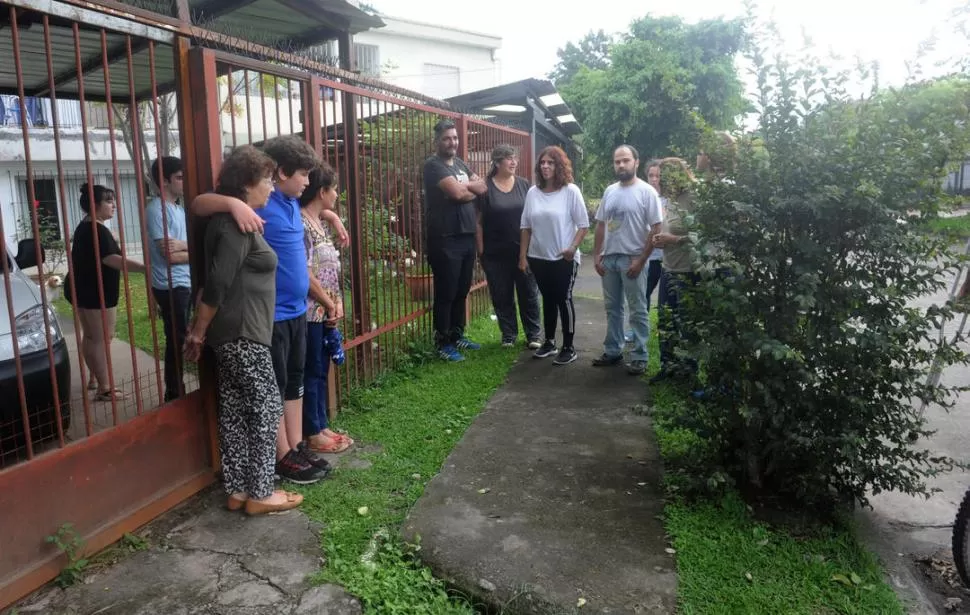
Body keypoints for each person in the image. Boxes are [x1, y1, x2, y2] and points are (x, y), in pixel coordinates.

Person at [192, 135, 344, 484]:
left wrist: (333, 216)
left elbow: (315, 209)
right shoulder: (263, 201)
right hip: (268, 317)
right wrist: (234, 206)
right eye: (303, 175)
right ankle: (280, 456)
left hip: (297, 312)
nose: (308, 182)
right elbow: (199, 204)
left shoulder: (291, 201)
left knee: (294, 382)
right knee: (272, 388)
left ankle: (293, 446)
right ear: (279, 173)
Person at [183, 144, 303, 516]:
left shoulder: (234, 217)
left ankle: (238, 490)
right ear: (247, 183)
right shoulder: (238, 222)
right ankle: (262, 491)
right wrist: (198, 331)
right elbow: (218, 282)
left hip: (232, 334)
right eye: (266, 179)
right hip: (242, 334)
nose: (270, 186)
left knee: (235, 411)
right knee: (266, 409)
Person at [591, 146, 663, 376]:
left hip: (633, 259)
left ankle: (640, 356)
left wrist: (642, 260)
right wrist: (597, 255)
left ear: (636, 162)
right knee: (612, 308)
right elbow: (601, 223)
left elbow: (656, 228)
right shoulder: (610, 191)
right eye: (617, 161)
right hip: (609, 259)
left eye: (625, 161)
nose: (621, 165)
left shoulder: (646, 192)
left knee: (638, 309)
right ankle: (613, 351)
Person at [70, 184, 145, 402]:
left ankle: (95, 378)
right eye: (109, 201)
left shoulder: (87, 227)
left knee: (92, 336)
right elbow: (112, 259)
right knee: (103, 338)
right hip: (98, 292)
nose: (114, 205)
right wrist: (144, 268)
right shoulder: (97, 229)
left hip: (85, 289)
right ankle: (105, 388)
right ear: (95, 205)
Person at [300, 163, 355, 454]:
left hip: (326, 308)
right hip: (311, 309)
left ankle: (321, 424)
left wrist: (336, 303)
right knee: (312, 369)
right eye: (334, 190)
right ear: (322, 191)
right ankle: (312, 430)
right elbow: (306, 273)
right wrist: (328, 302)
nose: (336, 195)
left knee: (321, 369)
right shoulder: (301, 224)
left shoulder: (317, 220)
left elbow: (330, 268)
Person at [422, 118, 487, 362]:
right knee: (446, 291)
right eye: (447, 138)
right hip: (445, 239)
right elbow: (459, 193)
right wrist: (466, 187)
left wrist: (464, 186)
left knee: (462, 289)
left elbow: (483, 187)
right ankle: (443, 342)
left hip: (466, 236)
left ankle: (458, 334)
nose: (452, 142)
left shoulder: (459, 163)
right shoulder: (433, 166)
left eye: (455, 138)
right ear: (437, 141)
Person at [519, 145, 589, 365]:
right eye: (542, 163)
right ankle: (549, 342)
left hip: (563, 258)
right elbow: (526, 227)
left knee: (563, 299)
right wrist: (523, 256)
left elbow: (583, 225)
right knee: (547, 299)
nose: (546, 166)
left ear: (559, 166)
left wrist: (572, 248)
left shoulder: (570, 191)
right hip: (539, 257)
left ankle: (568, 347)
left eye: (550, 163)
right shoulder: (533, 193)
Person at [476, 144, 541, 348]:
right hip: (495, 253)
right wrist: (481, 251)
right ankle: (509, 335)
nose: (514, 162)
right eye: (509, 158)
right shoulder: (485, 187)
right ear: (497, 162)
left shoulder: (524, 185)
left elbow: (532, 217)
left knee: (528, 293)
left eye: (515, 158)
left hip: (523, 251)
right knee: (501, 294)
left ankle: (534, 335)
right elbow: (477, 221)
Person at [651, 157, 701, 383]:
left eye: (665, 176)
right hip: (668, 268)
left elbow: (704, 237)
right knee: (665, 320)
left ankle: (689, 373)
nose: (661, 181)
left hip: (688, 271)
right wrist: (660, 239)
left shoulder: (694, 197)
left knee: (688, 325)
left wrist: (673, 239)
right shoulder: (669, 199)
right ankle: (668, 367)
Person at [145, 156, 190, 402]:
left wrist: (184, 246)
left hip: (185, 282)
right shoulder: (156, 209)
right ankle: (174, 393)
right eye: (179, 178)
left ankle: (178, 389)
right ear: (163, 181)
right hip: (171, 285)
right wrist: (195, 253)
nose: (184, 182)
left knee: (185, 338)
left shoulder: (179, 208)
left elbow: (179, 249)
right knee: (177, 340)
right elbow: (169, 255)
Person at [622, 159, 666, 343]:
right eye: (651, 175)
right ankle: (638, 330)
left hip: (667, 258)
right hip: (648, 256)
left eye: (658, 176)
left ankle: (664, 332)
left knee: (665, 300)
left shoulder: (669, 200)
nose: (654, 179)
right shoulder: (643, 196)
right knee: (642, 295)